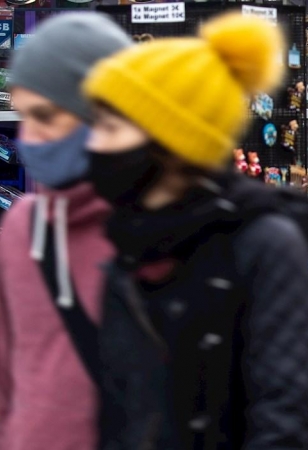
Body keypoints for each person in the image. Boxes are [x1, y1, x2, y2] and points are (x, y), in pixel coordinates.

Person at [82, 13, 308, 449]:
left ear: (171, 139)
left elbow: (281, 418)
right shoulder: (123, 238)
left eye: (111, 127)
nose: (93, 144)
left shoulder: (263, 242)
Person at [0, 13, 132, 450]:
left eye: (44, 116)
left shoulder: (171, 225)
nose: (28, 138)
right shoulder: (23, 226)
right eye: (22, 118)